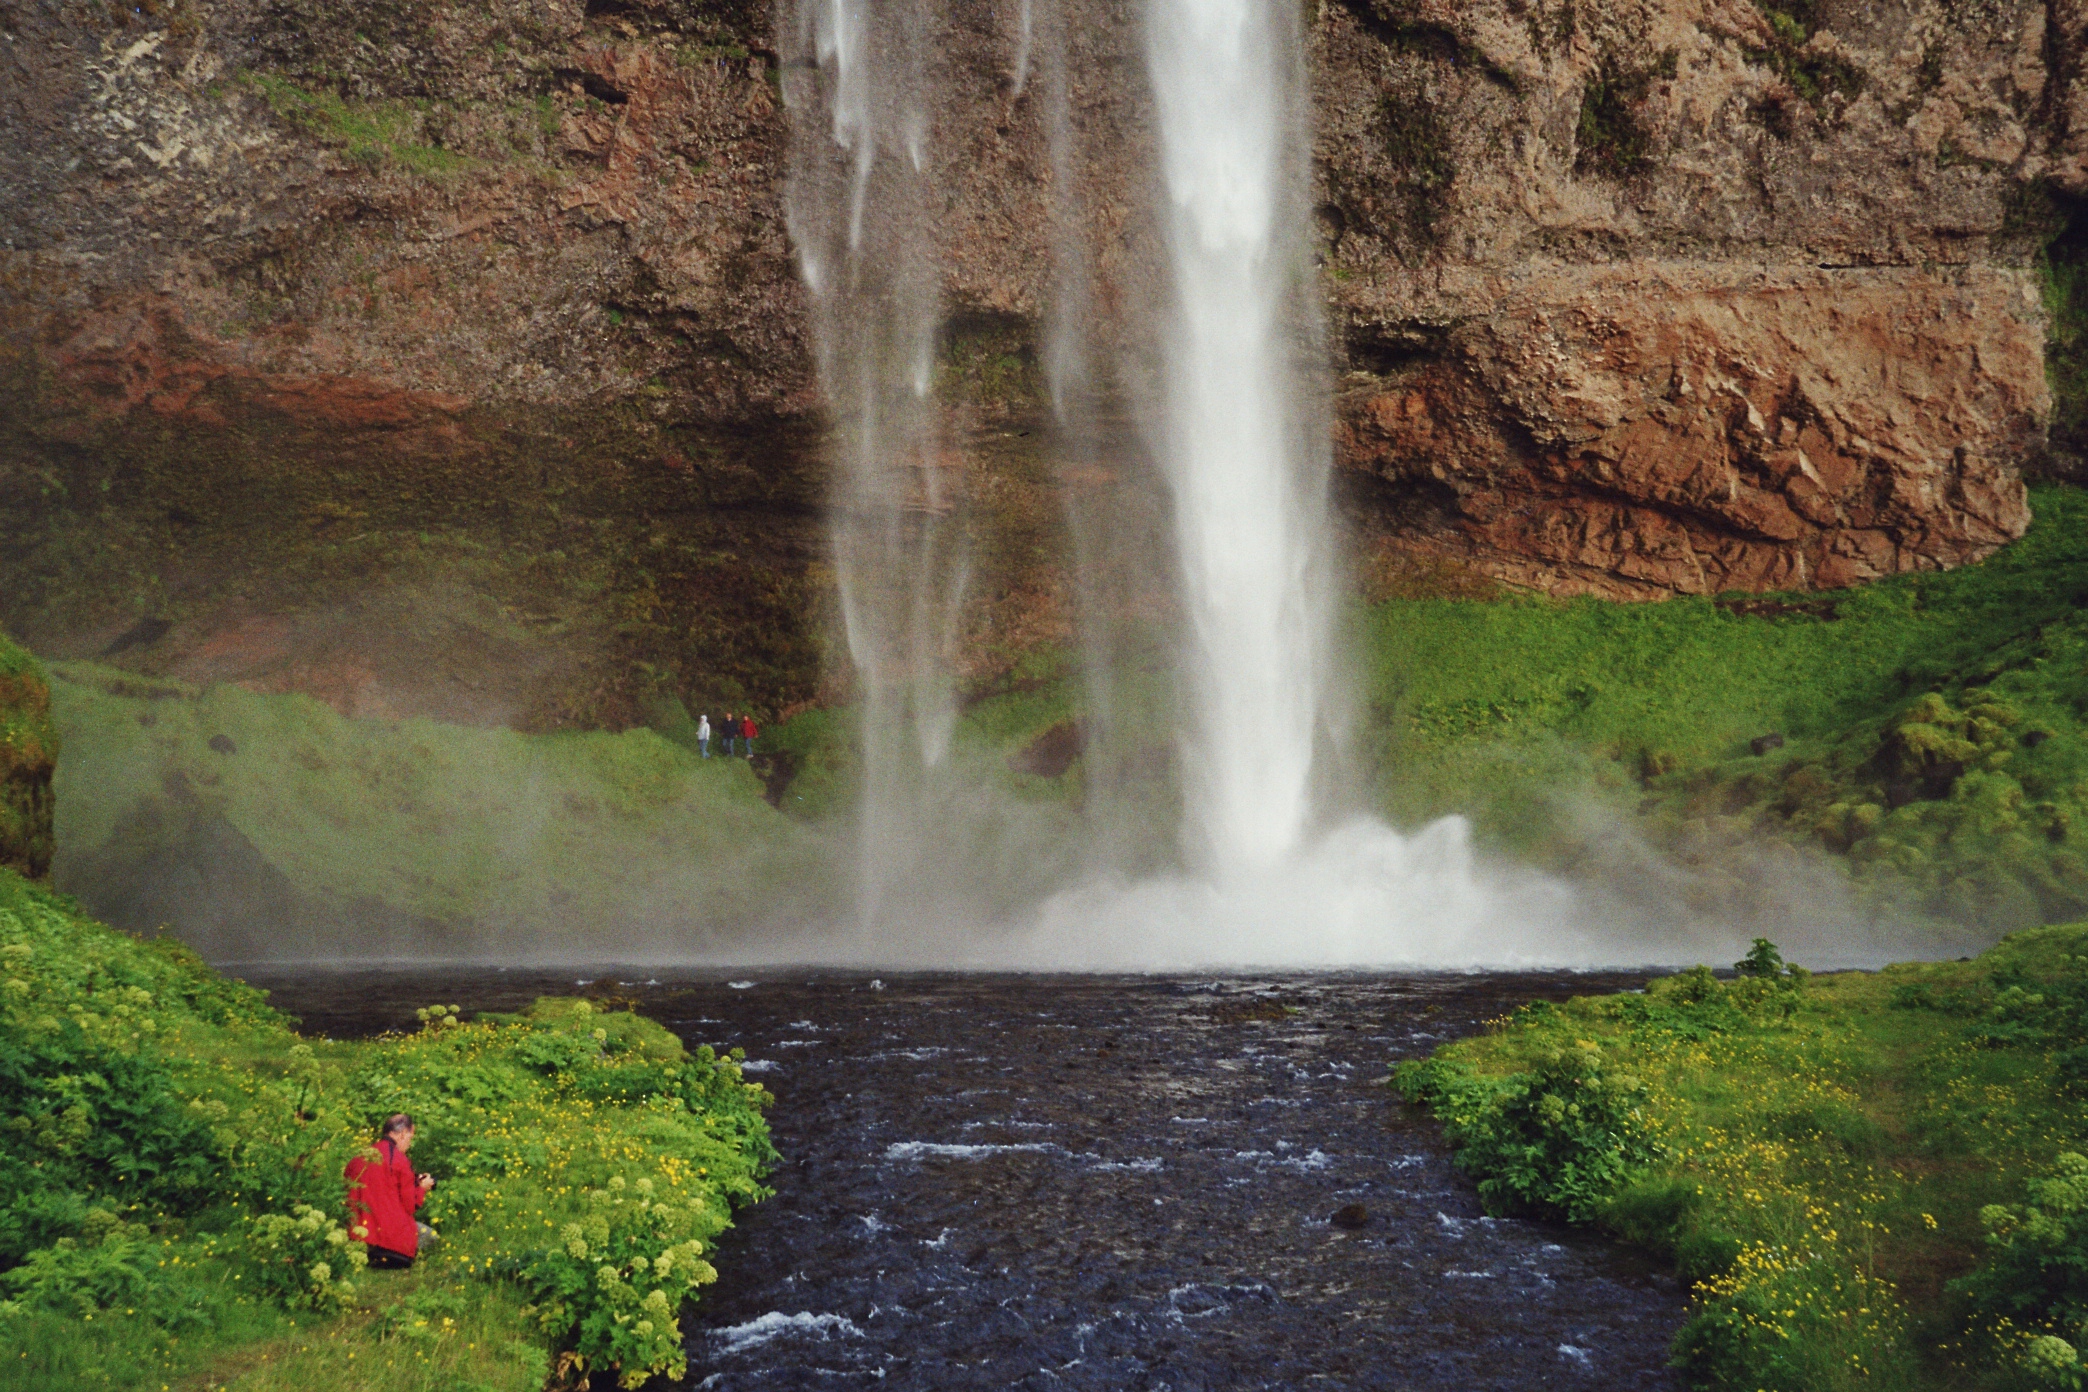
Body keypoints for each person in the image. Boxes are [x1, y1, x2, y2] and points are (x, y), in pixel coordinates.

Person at [344, 1113, 434, 1269]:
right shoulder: (399, 1160)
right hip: (392, 1246)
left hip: (358, 1241)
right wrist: (422, 1188)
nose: (409, 1144)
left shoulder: (357, 1159)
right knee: (431, 1236)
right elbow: (410, 1206)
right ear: (403, 1133)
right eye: (410, 1138)